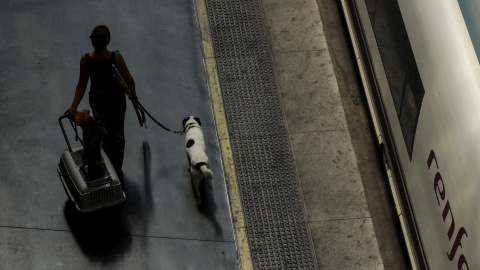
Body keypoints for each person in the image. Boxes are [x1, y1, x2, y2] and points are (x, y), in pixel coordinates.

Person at [67, 25, 137, 188]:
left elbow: (82, 85)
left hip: (98, 103)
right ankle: (118, 170)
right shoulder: (116, 57)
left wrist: (73, 106)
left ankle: (101, 161)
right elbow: (129, 80)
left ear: (93, 41)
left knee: (103, 133)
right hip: (117, 103)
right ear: (107, 41)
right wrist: (133, 95)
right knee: (117, 134)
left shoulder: (86, 60)